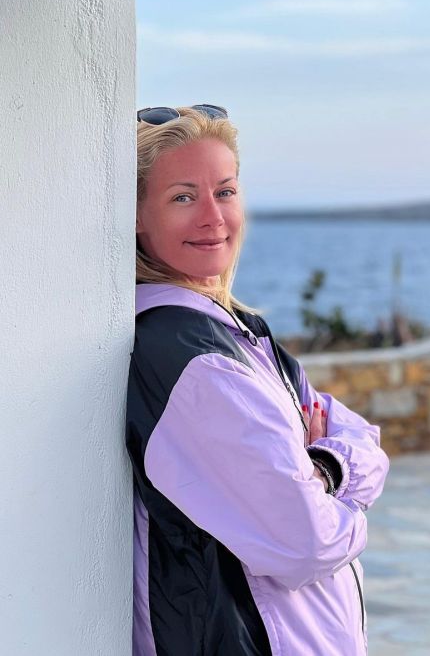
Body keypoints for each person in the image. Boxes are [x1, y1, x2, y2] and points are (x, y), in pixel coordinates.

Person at [126, 105, 390, 656]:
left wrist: (323, 468)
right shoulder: (197, 365)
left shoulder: (238, 333)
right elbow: (308, 543)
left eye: (224, 191)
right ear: (136, 216)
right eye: (182, 197)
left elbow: (364, 437)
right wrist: (339, 490)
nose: (213, 217)